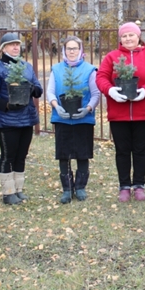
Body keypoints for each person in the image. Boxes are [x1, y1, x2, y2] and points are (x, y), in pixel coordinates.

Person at [96, 22, 145, 202]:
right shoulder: (112, 57)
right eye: (124, 36)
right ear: (120, 38)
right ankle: (124, 186)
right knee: (122, 150)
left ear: (138, 36)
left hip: (143, 112)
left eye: (131, 35)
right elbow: (101, 77)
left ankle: (139, 185)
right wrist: (110, 90)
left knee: (139, 150)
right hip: (118, 113)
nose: (128, 39)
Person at [0, 33, 43, 205]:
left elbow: (37, 86)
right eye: (11, 45)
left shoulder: (26, 66)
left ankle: (18, 189)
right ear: (3, 48)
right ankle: (8, 192)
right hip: (7, 120)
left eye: (17, 44)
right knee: (8, 155)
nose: (16, 47)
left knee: (21, 155)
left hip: (27, 118)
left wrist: (32, 89)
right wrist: (6, 105)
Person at [47, 36, 100, 204]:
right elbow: (50, 92)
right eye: (68, 48)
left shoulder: (90, 69)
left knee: (82, 154)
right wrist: (57, 106)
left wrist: (88, 109)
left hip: (83, 120)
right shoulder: (56, 69)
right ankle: (67, 189)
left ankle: (81, 187)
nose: (72, 51)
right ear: (63, 51)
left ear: (80, 50)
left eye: (75, 48)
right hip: (62, 119)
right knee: (64, 155)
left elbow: (96, 94)